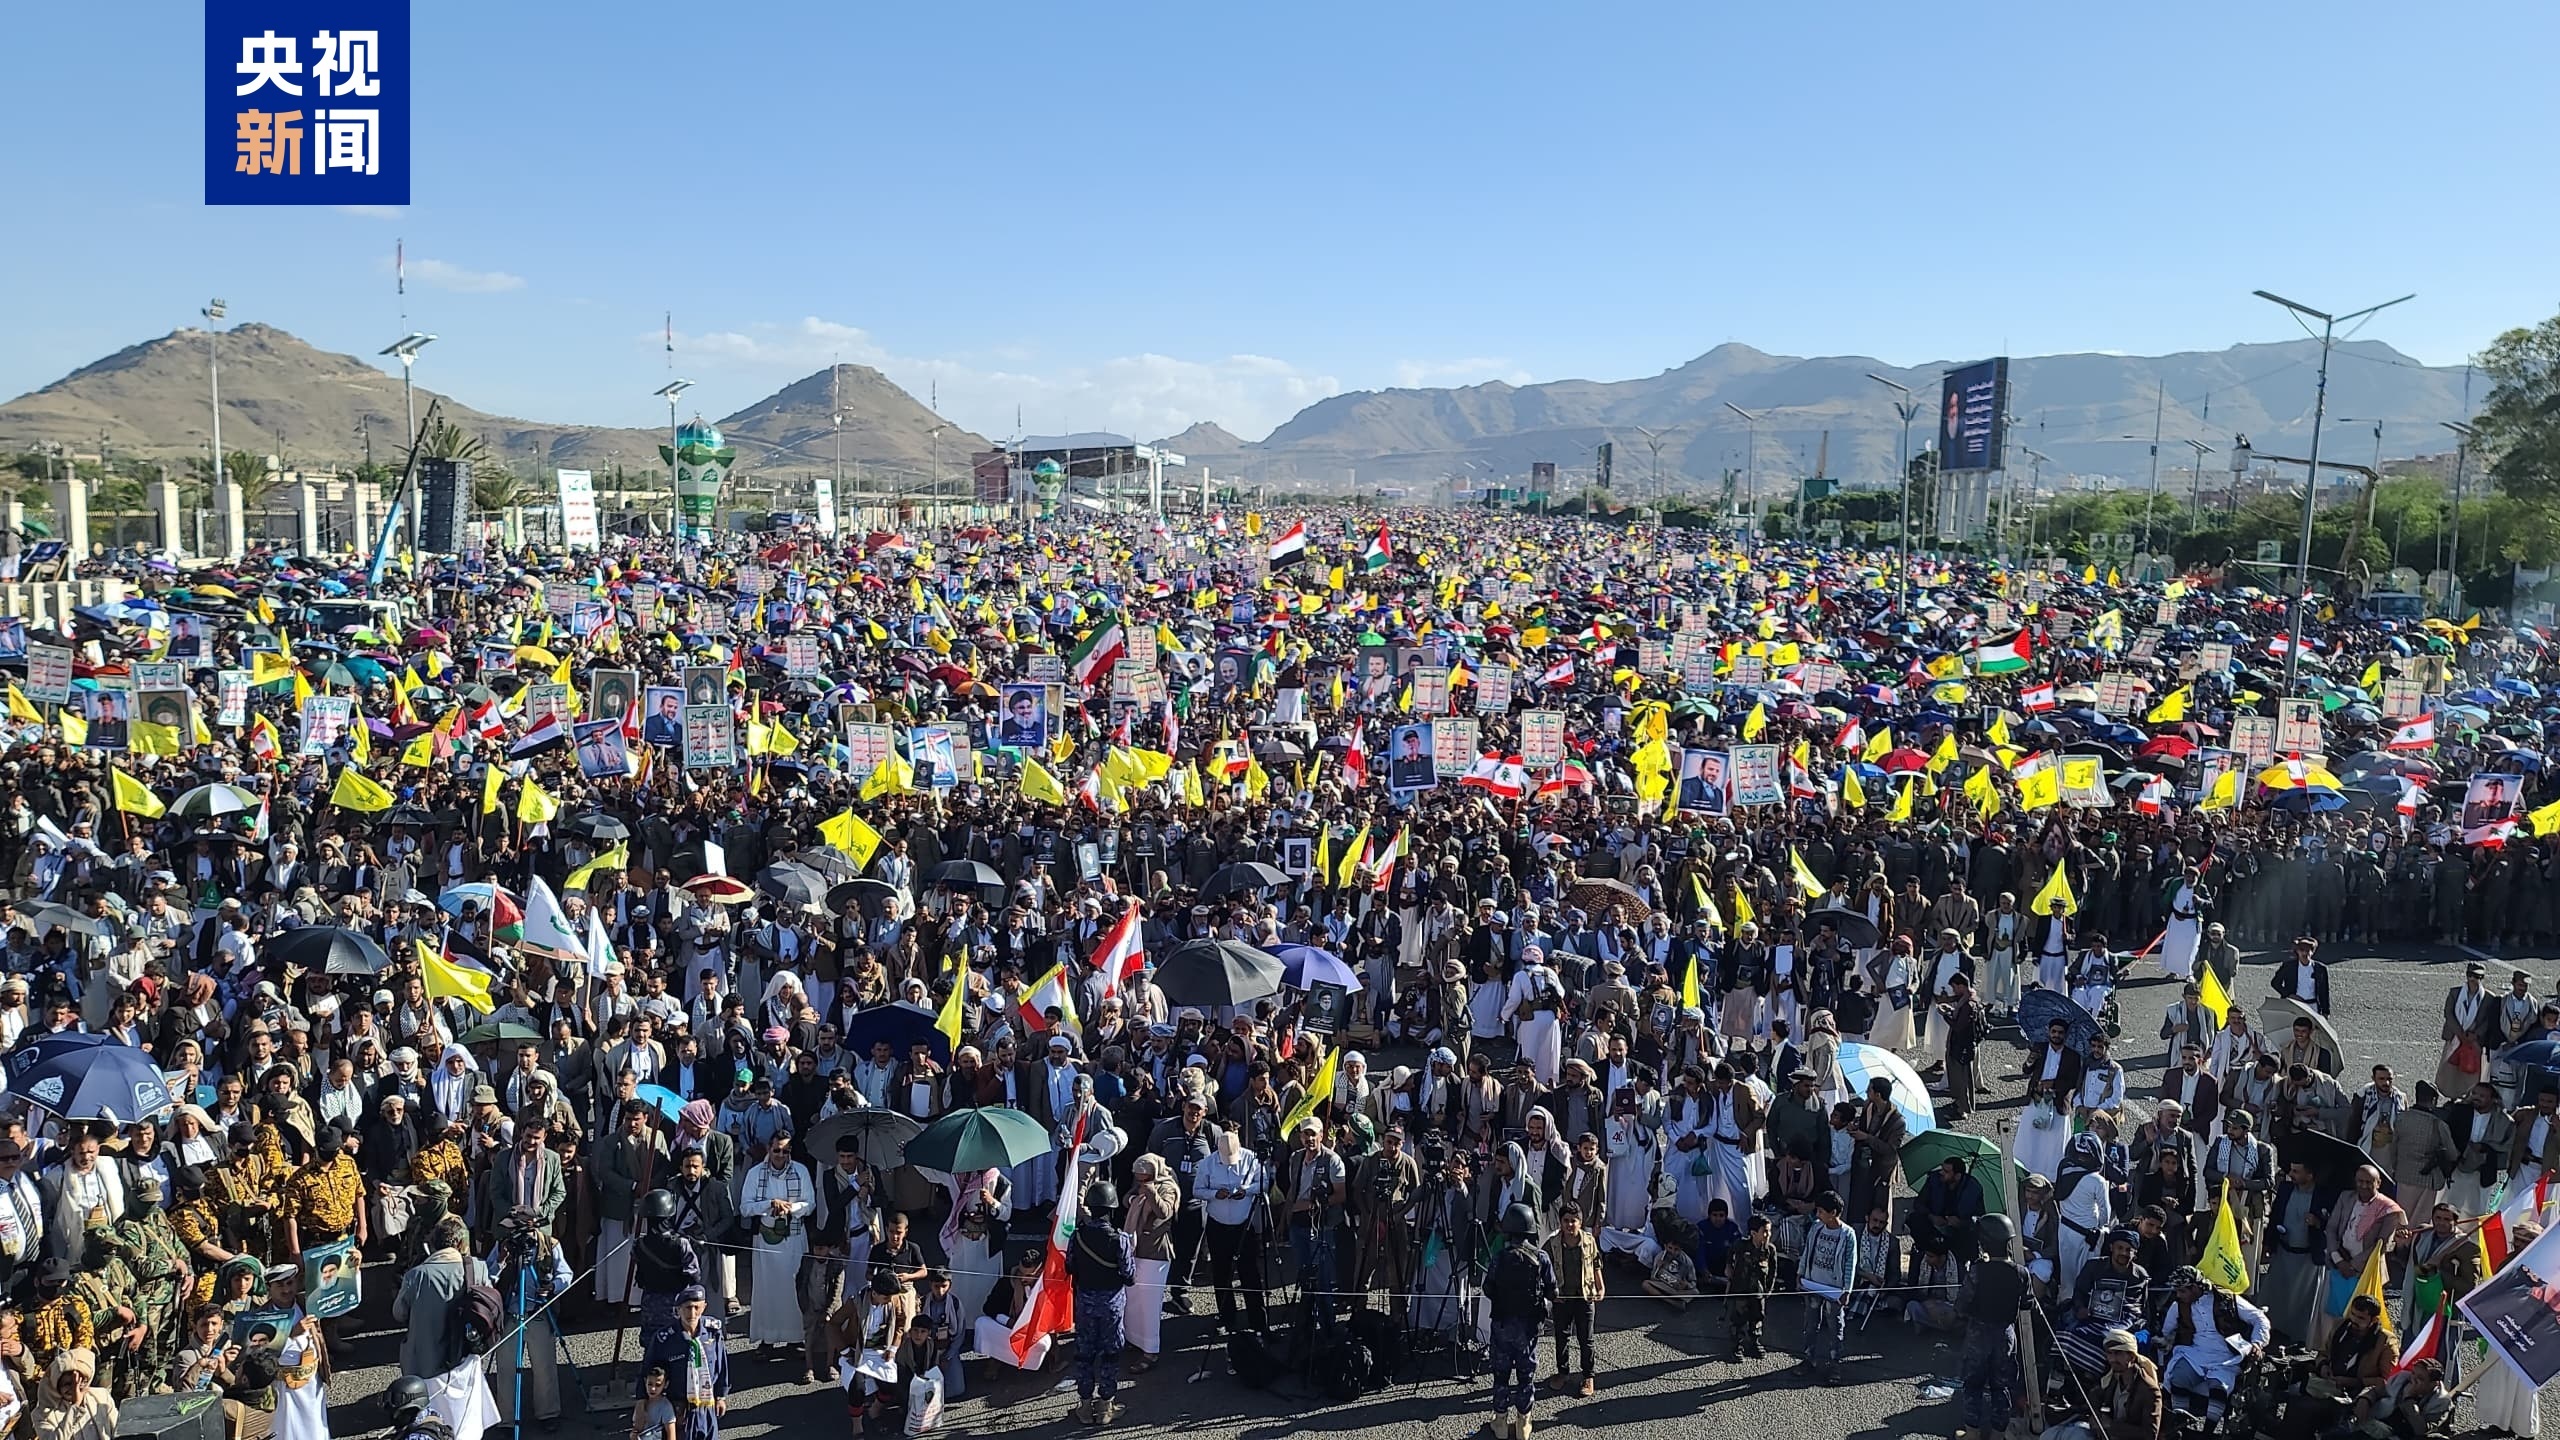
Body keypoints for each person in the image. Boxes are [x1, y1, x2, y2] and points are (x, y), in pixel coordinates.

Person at [1955, 1213, 2029, 1440]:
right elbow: (2028, 1304)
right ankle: (1998, 1433)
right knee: (2002, 1386)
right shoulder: (2020, 1272)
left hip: (1979, 1333)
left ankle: (1973, 1433)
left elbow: (1961, 1305)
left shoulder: (1977, 1271)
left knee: (1973, 1384)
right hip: (2005, 1335)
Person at [1068, 1180, 1135, 1427]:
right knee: (1110, 1353)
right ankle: (1106, 1406)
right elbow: (1129, 1276)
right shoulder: (1120, 1239)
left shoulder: (1078, 1236)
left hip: (1085, 1302)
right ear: (1112, 1208)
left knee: (1084, 1354)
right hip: (1111, 1305)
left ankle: (1085, 1406)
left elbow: (1069, 1267)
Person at [1484, 1202, 1553, 1440]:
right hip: (1529, 1329)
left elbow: (1488, 1288)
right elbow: (1552, 1291)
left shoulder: (1499, 1257)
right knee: (1526, 1376)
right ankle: (1524, 1423)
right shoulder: (1541, 1258)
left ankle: (1500, 1423)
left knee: (1501, 1375)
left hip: (1502, 1325)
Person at [1542, 1200, 1601, 1397]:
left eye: (1573, 1221)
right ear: (1560, 1222)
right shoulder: (1552, 1244)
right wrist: (1550, 1293)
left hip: (1585, 1296)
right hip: (1562, 1298)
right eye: (1566, 1220)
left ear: (1580, 1222)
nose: (1569, 1225)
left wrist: (1600, 1287)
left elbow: (1596, 1263)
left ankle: (1588, 1375)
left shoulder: (1589, 1240)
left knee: (1586, 1338)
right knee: (1561, 1336)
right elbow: (1543, 1268)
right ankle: (1563, 1372)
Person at [1796, 1190, 1855, 1384]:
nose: (1818, 1215)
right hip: (1813, 1283)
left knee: (1835, 1325)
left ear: (1834, 1213)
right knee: (1810, 1323)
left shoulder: (1848, 1234)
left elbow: (1849, 1264)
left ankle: (1834, 1363)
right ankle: (1808, 1358)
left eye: (1821, 1211)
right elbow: (1807, 1251)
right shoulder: (1816, 1228)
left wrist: (1847, 1290)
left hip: (1834, 1289)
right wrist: (1801, 1274)